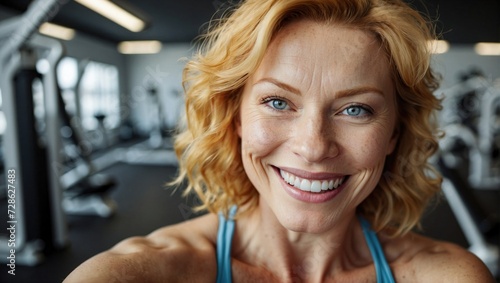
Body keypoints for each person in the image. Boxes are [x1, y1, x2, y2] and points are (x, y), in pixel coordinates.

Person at [64, 0, 496, 282]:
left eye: (355, 109)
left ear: (393, 134)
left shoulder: (447, 276)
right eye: (277, 102)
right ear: (234, 117)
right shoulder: (135, 275)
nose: (312, 146)